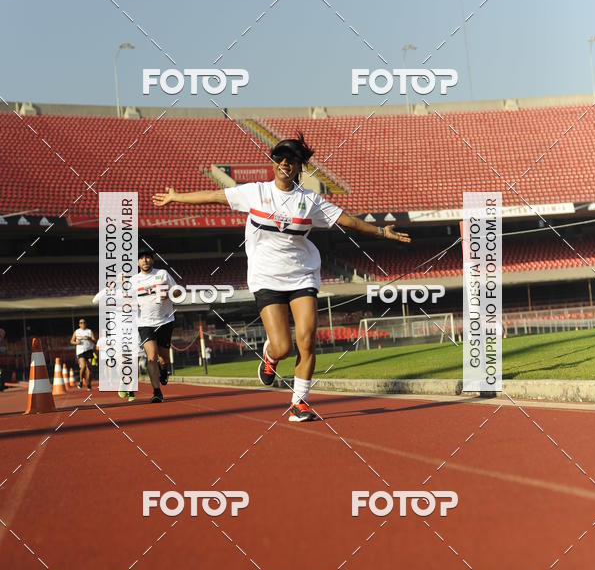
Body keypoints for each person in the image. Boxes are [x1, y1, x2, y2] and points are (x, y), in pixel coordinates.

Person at [152, 132, 410, 422]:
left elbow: (346, 221)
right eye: (280, 158)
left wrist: (380, 231)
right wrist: (176, 197)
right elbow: (214, 197)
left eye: (292, 160)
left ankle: (299, 404)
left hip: (302, 276)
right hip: (265, 278)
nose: (285, 164)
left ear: (300, 166)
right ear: (273, 163)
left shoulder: (310, 200)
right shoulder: (256, 192)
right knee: (284, 347)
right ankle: (271, 356)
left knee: (308, 340)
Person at [133, 246, 177, 403]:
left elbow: (178, 291)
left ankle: (164, 370)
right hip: (145, 323)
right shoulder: (133, 281)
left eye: (148, 257)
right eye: (141, 257)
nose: (145, 260)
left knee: (163, 358)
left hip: (165, 320)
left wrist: (170, 294)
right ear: (137, 261)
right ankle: (157, 392)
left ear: (152, 259)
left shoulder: (162, 274)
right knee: (151, 357)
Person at [70, 318, 96, 390]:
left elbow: (94, 341)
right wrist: (76, 342)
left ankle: (88, 383)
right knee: (83, 366)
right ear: (79, 324)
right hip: (80, 351)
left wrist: (89, 338)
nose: (82, 324)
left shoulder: (89, 331)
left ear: (86, 323)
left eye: (84, 322)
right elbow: (72, 341)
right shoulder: (77, 332)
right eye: (81, 323)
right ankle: (81, 381)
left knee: (89, 368)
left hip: (89, 350)